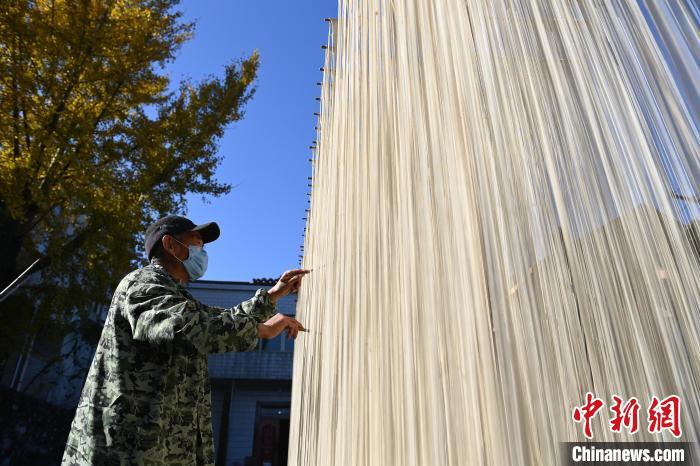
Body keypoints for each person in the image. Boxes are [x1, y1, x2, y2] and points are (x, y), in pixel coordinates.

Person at [61, 215, 308, 465]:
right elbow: (185, 328)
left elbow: (219, 318)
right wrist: (259, 330)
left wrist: (272, 296)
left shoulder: (174, 295)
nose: (203, 251)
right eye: (197, 243)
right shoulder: (142, 284)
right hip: (126, 453)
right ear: (170, 245)